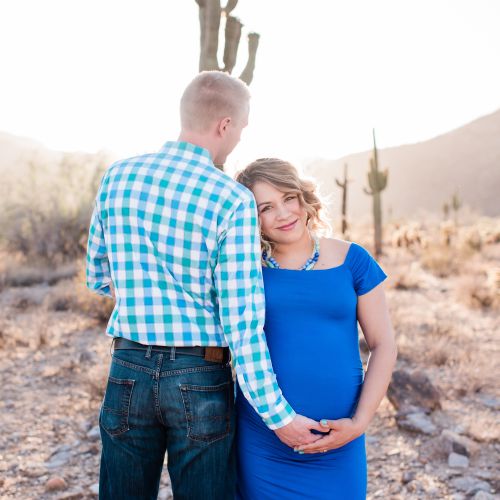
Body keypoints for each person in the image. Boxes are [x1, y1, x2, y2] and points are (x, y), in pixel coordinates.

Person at [86, 72, 322, 500]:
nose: (239, 138)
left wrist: (148, 299)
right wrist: (280, 417)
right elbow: (241, 324)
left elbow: (98, 275)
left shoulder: (117, 177)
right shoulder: (231, 200)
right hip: (199, 376)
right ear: (225, 126)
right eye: (242, 127)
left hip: (127, 368)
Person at [235, 158, 397, 499]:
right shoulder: (245, 270)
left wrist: (359, 423)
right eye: (266, 207)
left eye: (288, 198)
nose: (282, 213)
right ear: (254, 219)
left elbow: (383, 345)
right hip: (265, 437)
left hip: (341, 438)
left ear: (303, 198)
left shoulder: (353, 260)